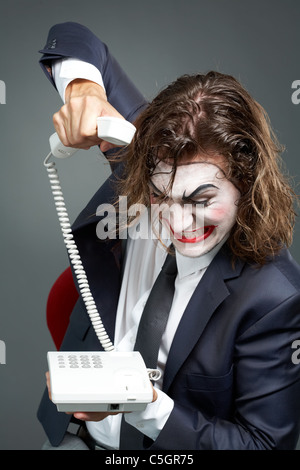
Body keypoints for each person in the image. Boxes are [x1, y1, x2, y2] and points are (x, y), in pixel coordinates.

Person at [37, 22, 300, 450]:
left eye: (200, 200)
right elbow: (73, 38)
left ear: (247, 181)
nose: (177, 224)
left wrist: (140, 405)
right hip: (75, 436)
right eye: (160, 198)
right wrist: (84, 89)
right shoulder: (145, 154)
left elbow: (265, 444)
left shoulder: (275, 297)